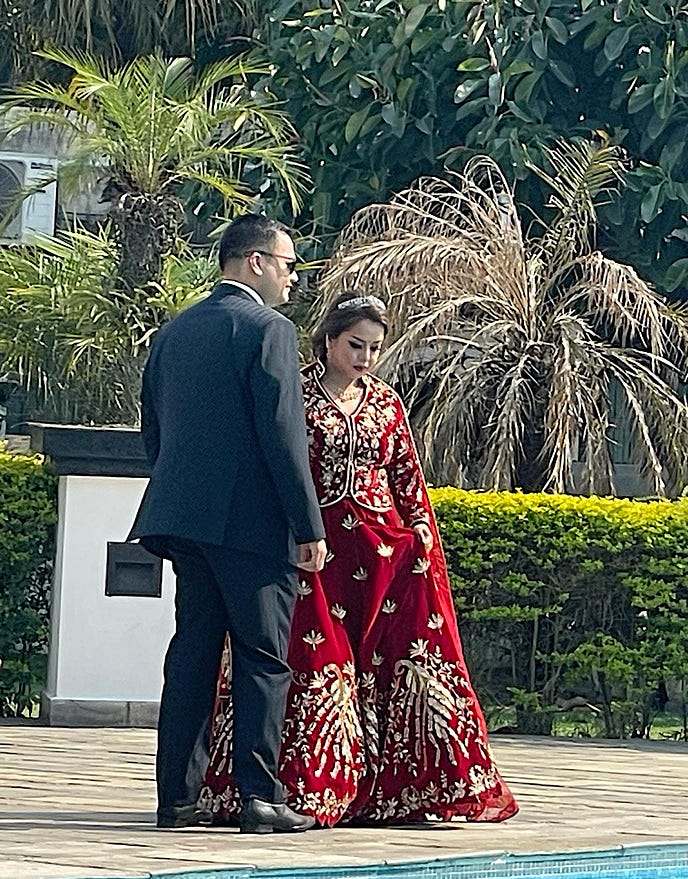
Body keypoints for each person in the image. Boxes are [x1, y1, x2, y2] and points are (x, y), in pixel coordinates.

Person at [197, 292, 518, 826]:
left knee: (392, 663)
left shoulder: (387, 403)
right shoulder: (295, 394)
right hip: (315, 550)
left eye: (374, 347)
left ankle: (395, 791)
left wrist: (418, 528)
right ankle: (311, 788)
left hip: (383, 551)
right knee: (316, 662)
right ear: (328, 341)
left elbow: (406, 474)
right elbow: (275, 467)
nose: (365, 357)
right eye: (355, 345)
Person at [130, 213, 327, 835]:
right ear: (255, 262)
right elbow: (283, 436)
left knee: (190, 655)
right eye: (288, 263)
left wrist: (178, 494)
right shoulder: (269, 329)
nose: (293, 277)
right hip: (248, 523)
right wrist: (308, 524)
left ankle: (176, 800)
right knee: (263, 657)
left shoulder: (175, 331)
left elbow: (153, 429)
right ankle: (259, 797)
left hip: (183, 520)